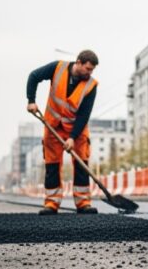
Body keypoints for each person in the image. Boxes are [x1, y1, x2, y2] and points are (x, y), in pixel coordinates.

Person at [26, 50, 99, 215]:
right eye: (88, 68)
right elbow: (34, 76)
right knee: (52, 165)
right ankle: (52, 203)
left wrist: (72, 138)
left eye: (92, 70)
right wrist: (31, 100)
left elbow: (83, 115)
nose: (89, 73)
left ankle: (83, 203)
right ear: (78, 62)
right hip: (53, 126)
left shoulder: (91, 86)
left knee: (81, 164)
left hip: (77, 130)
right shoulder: (57, 68)